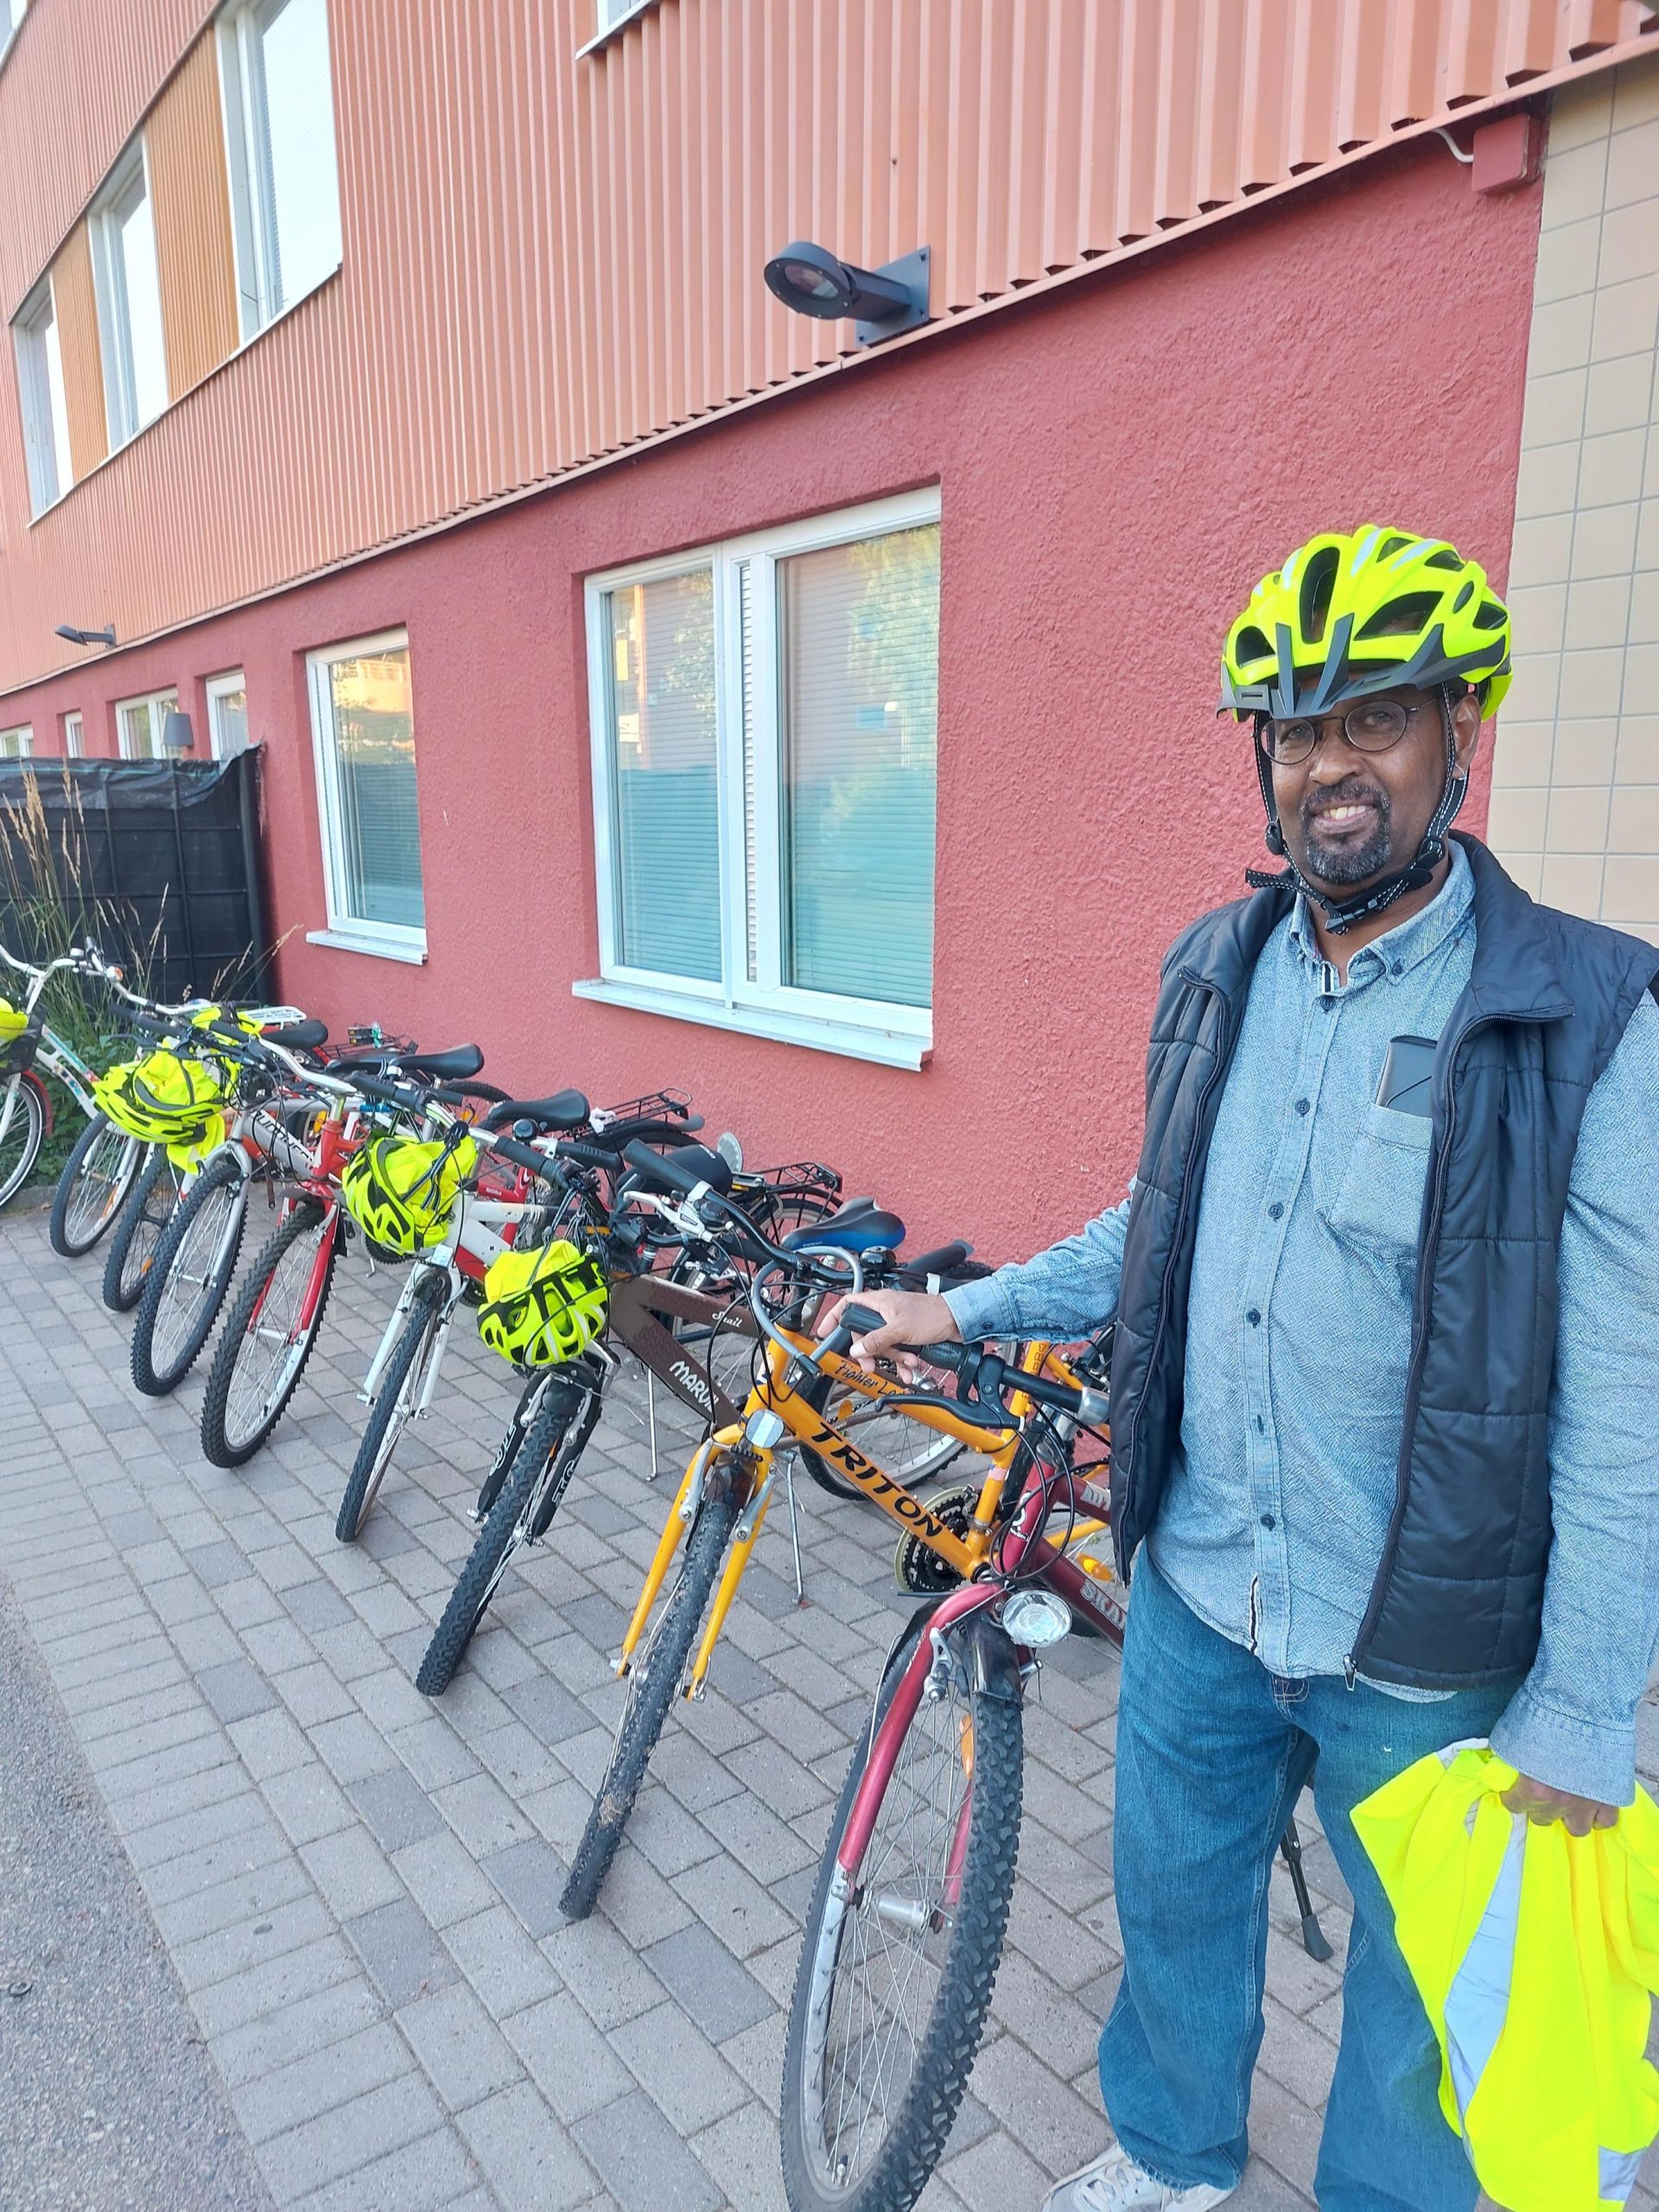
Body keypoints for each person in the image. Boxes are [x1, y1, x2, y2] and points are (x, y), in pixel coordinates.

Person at [834, 527, 1659, 2212]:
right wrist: (968, 1307)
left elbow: (1626, 1388)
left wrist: (1586, 1700)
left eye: (1372, 719)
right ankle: (1171, 2153)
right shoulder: (1217, 968)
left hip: (1428, 1653)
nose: (1327, 763)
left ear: (1459, 732)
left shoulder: (1591, 1014)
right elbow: (1164, 1213)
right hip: (1204, 1598)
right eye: (1294, 729)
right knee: (1176, 1909)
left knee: (1422, 2009)